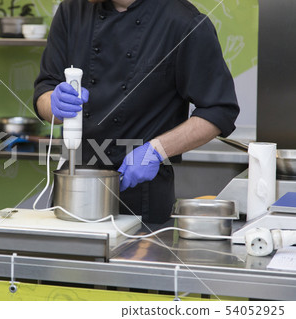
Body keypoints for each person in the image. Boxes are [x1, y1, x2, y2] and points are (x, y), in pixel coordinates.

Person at [34, 0, 240, 223]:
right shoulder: (71, 10)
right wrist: (53, 104)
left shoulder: (183, 21)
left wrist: (155, 150)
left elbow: (219, 110)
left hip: (142, 196)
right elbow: (45, 89)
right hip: (74, 184)